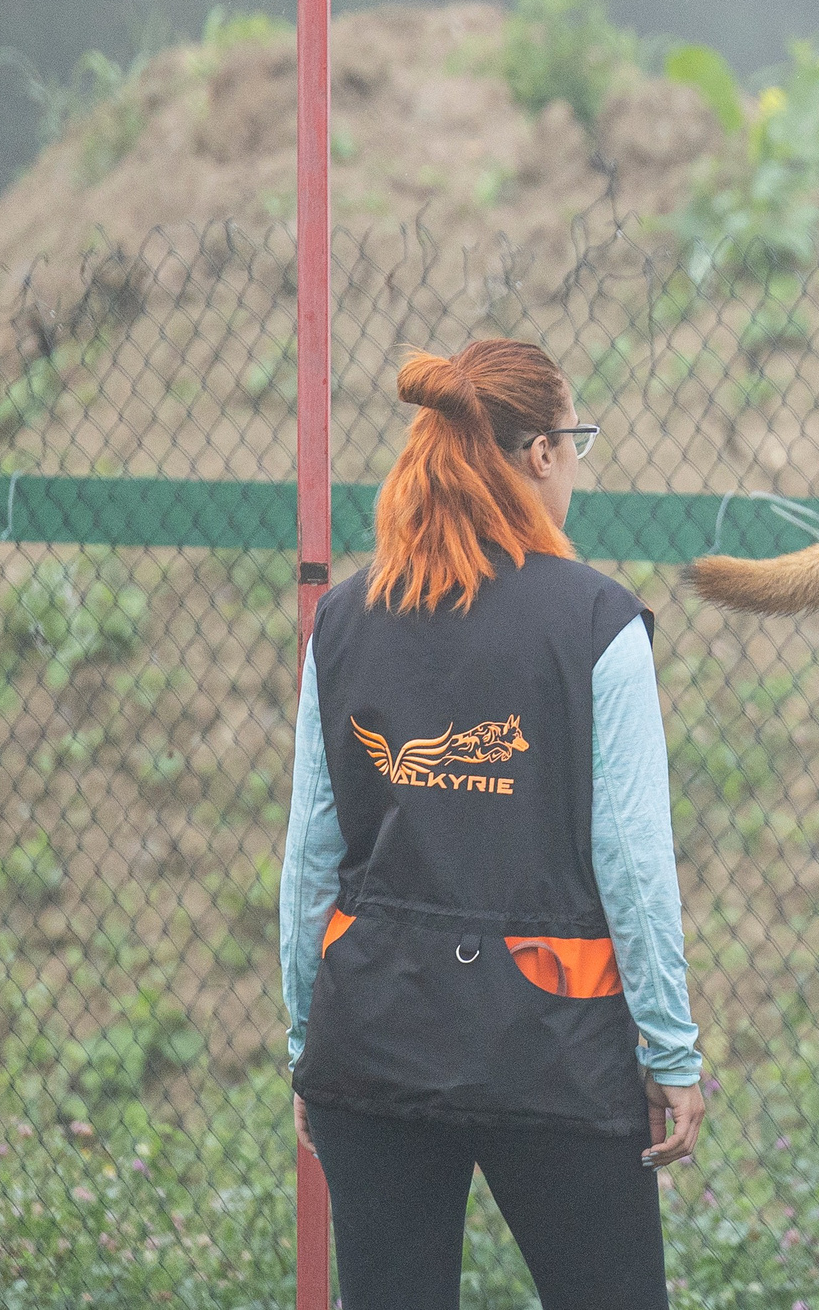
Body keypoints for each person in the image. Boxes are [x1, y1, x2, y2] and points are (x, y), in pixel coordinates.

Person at [278, 337, 704, 1308]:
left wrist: (312, 1044)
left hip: (373, 1042)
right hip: (555, 1047)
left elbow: (310, 859)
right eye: (575, 440)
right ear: (541, 455)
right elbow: (633, 865)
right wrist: (670, 1053)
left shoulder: (343, 623)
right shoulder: (598, 625)